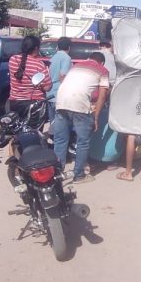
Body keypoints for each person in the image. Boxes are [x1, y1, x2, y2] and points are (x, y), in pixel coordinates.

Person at [52, 51, 109, 185]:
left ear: (89, 59)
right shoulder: (103, 70)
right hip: (79, 104)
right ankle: (79, 175)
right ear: (102, 62)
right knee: (83, 142)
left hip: (61, 102)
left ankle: (56, 174)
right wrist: (95, 117)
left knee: (60, 140)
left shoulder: (76, 66)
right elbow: (102, 96)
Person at [7, 35, 51, 118]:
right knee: (33, 130)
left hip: (14, 102)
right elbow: (47, 87)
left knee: (16, 129)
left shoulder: (13, 59)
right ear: (36, 48)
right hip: (34, 104)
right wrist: (40, 84)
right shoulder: (39, 64)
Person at [46, 36, 72, 123]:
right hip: (59, 95)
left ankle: (52, 136)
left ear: (57, 46)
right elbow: (62, 75)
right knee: (61, 125)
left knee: (53, 123)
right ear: (69, 47)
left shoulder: (54, 57)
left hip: (50, 93)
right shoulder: (66, 58)